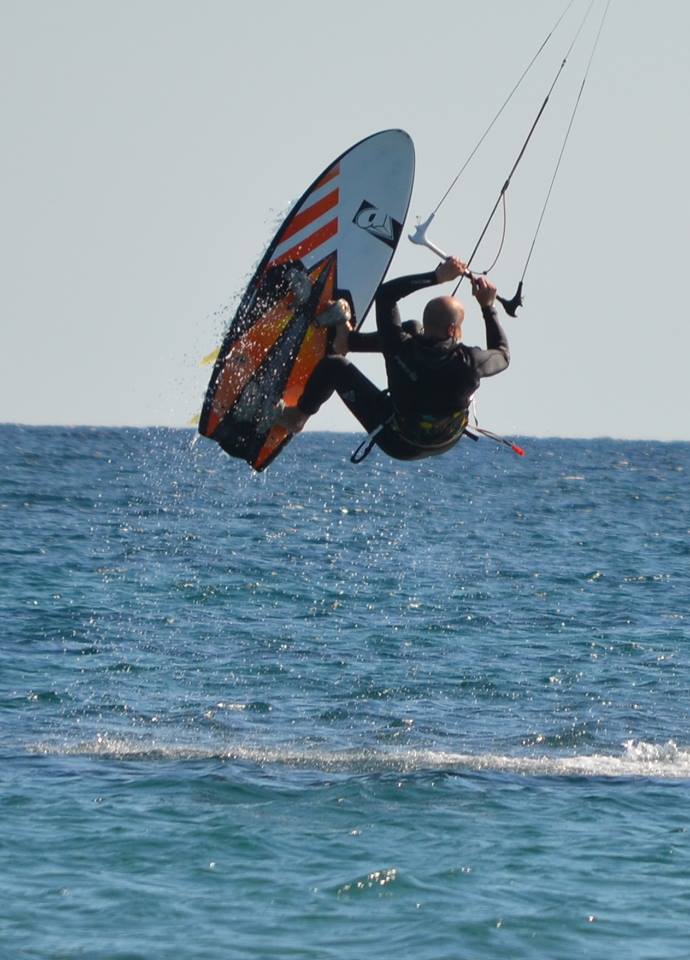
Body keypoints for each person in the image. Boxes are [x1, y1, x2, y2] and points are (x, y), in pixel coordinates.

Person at [275, 257, 510, 461]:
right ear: (452, 330)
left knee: (335, 365)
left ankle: (298, 417)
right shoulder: (470, 361)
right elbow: (502, 354)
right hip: (442, 441)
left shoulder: (399, 345)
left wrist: (437, 276)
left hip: (396, 438)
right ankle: (348, 341)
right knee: (412, 329)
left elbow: (386, 295)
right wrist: (487, 307)